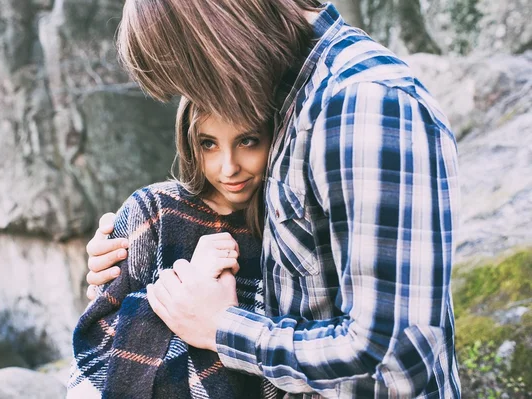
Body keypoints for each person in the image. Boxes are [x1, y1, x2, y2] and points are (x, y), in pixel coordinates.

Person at [86, 1, 461, 397]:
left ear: (218, 30)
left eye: (197, 79)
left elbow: (390, 355)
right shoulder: (291, 97)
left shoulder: (362, 105)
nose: (202, 100)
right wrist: (136, 252)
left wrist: (220, 328)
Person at [68, 97, 277, 398]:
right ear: (189, 143)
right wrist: (190, 282)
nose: (229, 167)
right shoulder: (154, 210)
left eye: (248, 141)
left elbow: (281, 370)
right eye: (209, 144)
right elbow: (96, 345)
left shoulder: (285, 228)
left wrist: (223, 322)